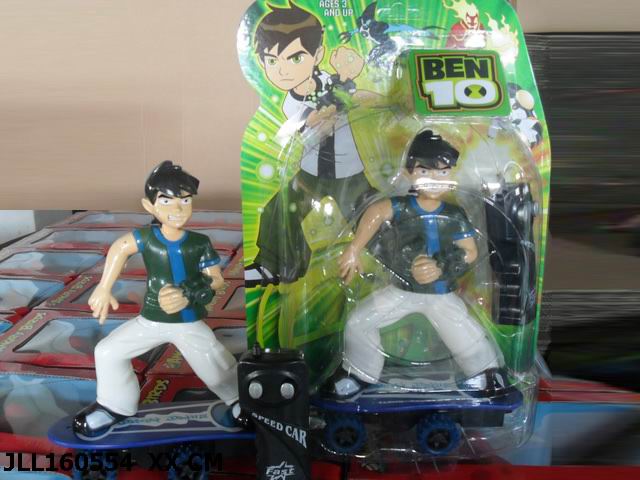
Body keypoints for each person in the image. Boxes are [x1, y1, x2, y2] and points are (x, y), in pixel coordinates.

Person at [331, 130, 512, 398]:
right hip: (402, 290)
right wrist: (354, 249)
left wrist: (441, 266)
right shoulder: (402, 207)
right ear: (409, 172)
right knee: (359, 322)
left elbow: (470, 252)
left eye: (443, 172)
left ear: (451, 174)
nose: (434, 179)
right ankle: (360, 374)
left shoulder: (454, 214)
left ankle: (487, 373)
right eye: (424, 171)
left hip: (440, 294)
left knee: (465, 333)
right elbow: (376, 212)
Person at [73, 161, 240, 437]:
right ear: (149, 206)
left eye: (185, 200)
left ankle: (239, 400)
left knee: (214, 363)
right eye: (166, 200)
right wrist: (104, 287)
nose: (178, 208)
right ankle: (114, 406)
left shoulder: (199, 243)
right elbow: (120, 247)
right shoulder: (148, 238)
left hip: (187, 321)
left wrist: (188, 293)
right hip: (151, 319)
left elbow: (217, 279)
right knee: (108, 352)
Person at [246, 1, 377, 286]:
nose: (283, 70)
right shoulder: (292, 102)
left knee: (372, 214)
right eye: (272, 61)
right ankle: (277, 266)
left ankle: (400, 260)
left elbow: (357, 97)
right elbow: (318, 121)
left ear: (317, 54)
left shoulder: (331, 80)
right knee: (277, 211)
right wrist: (339, 95)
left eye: (295, 58)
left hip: (348, 172)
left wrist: (379, 99)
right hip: (311, 173)